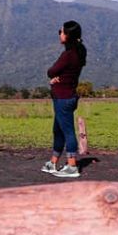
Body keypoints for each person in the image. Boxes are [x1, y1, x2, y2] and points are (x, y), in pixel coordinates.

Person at [42, 20, 87, 178]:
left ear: (68, 35)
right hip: (67, 96)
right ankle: (53, 162)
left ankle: (72, 165)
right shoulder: (79, 52)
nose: (59, 34)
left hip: (63, 98)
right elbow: (64, 74)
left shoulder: (68, 55)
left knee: (67, 132)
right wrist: (57, 77)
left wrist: (54, 76)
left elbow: (51, 71)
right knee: (58, 130)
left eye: (60, 32)